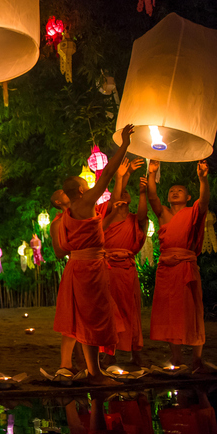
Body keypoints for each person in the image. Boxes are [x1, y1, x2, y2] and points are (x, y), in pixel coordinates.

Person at [54, 124, 134, 385]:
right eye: (85, 183)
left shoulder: (69, 214)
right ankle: (95, 373)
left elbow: (92, 232)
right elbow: (108, 173)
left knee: (90, 317)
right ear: (79, 190)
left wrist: (112, 215)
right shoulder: (85, 202)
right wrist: (124, 145)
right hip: (89, 268)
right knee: (95, 316)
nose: (89, 183)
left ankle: (94, 371)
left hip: (79, 266)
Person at [147, 159, 210, 369]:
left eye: (180, 190)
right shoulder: (164, 213)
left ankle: (197, 359)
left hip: (185, 266)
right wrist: (152, 173)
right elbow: (152, 197)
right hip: (167, 268)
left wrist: (203, 178)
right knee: (169, 311)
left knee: (192, 309)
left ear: (188, 197)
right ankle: (176, 358)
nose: (174, 192)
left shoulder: (192, 212)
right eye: (172, 190)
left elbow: (204, 202)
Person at [100, 157, 148, 365]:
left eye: (129, 194)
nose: (124, 195)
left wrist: (143, 191)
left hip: (127, 270)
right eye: (122, 193)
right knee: (109, 310)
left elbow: (144, 214)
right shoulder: (107, 216)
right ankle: (108, 353)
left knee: (130, 310)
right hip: (108, 268)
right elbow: (115, 198)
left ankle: (135, 351)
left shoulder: (134, 219)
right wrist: (121, 176)